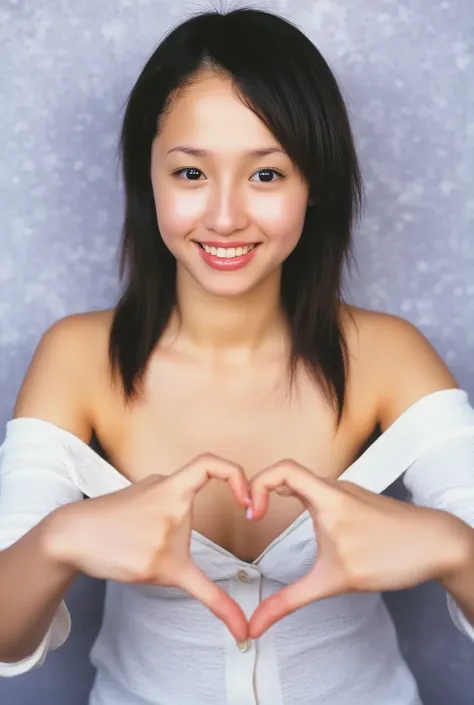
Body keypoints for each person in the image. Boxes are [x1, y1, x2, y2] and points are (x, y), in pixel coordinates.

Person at [0, 6, 473, 705]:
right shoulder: (77, 357)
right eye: (191, 173)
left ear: (314, 184)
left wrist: (456, 550)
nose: (224, 216)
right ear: (148, 178)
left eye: (266, 175)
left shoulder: (389, 354)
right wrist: (62, 537)